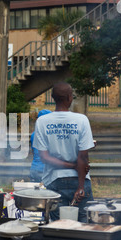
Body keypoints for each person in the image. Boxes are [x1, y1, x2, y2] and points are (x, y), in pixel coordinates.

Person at [33, 82, 95, 222]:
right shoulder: (82, 120)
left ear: (52, 97)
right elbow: (83, 157)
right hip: (80, 179)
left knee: (58, 226)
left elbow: (44, 157)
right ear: (69, 97)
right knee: (85, 225)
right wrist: (80, 187)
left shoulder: (42, 122)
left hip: (55, 181)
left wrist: (70, 165)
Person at [30, 109, 52, 182]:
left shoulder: (34, 134)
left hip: (35, 168)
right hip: (47, 170)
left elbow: (34, 152)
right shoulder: (52, 134)